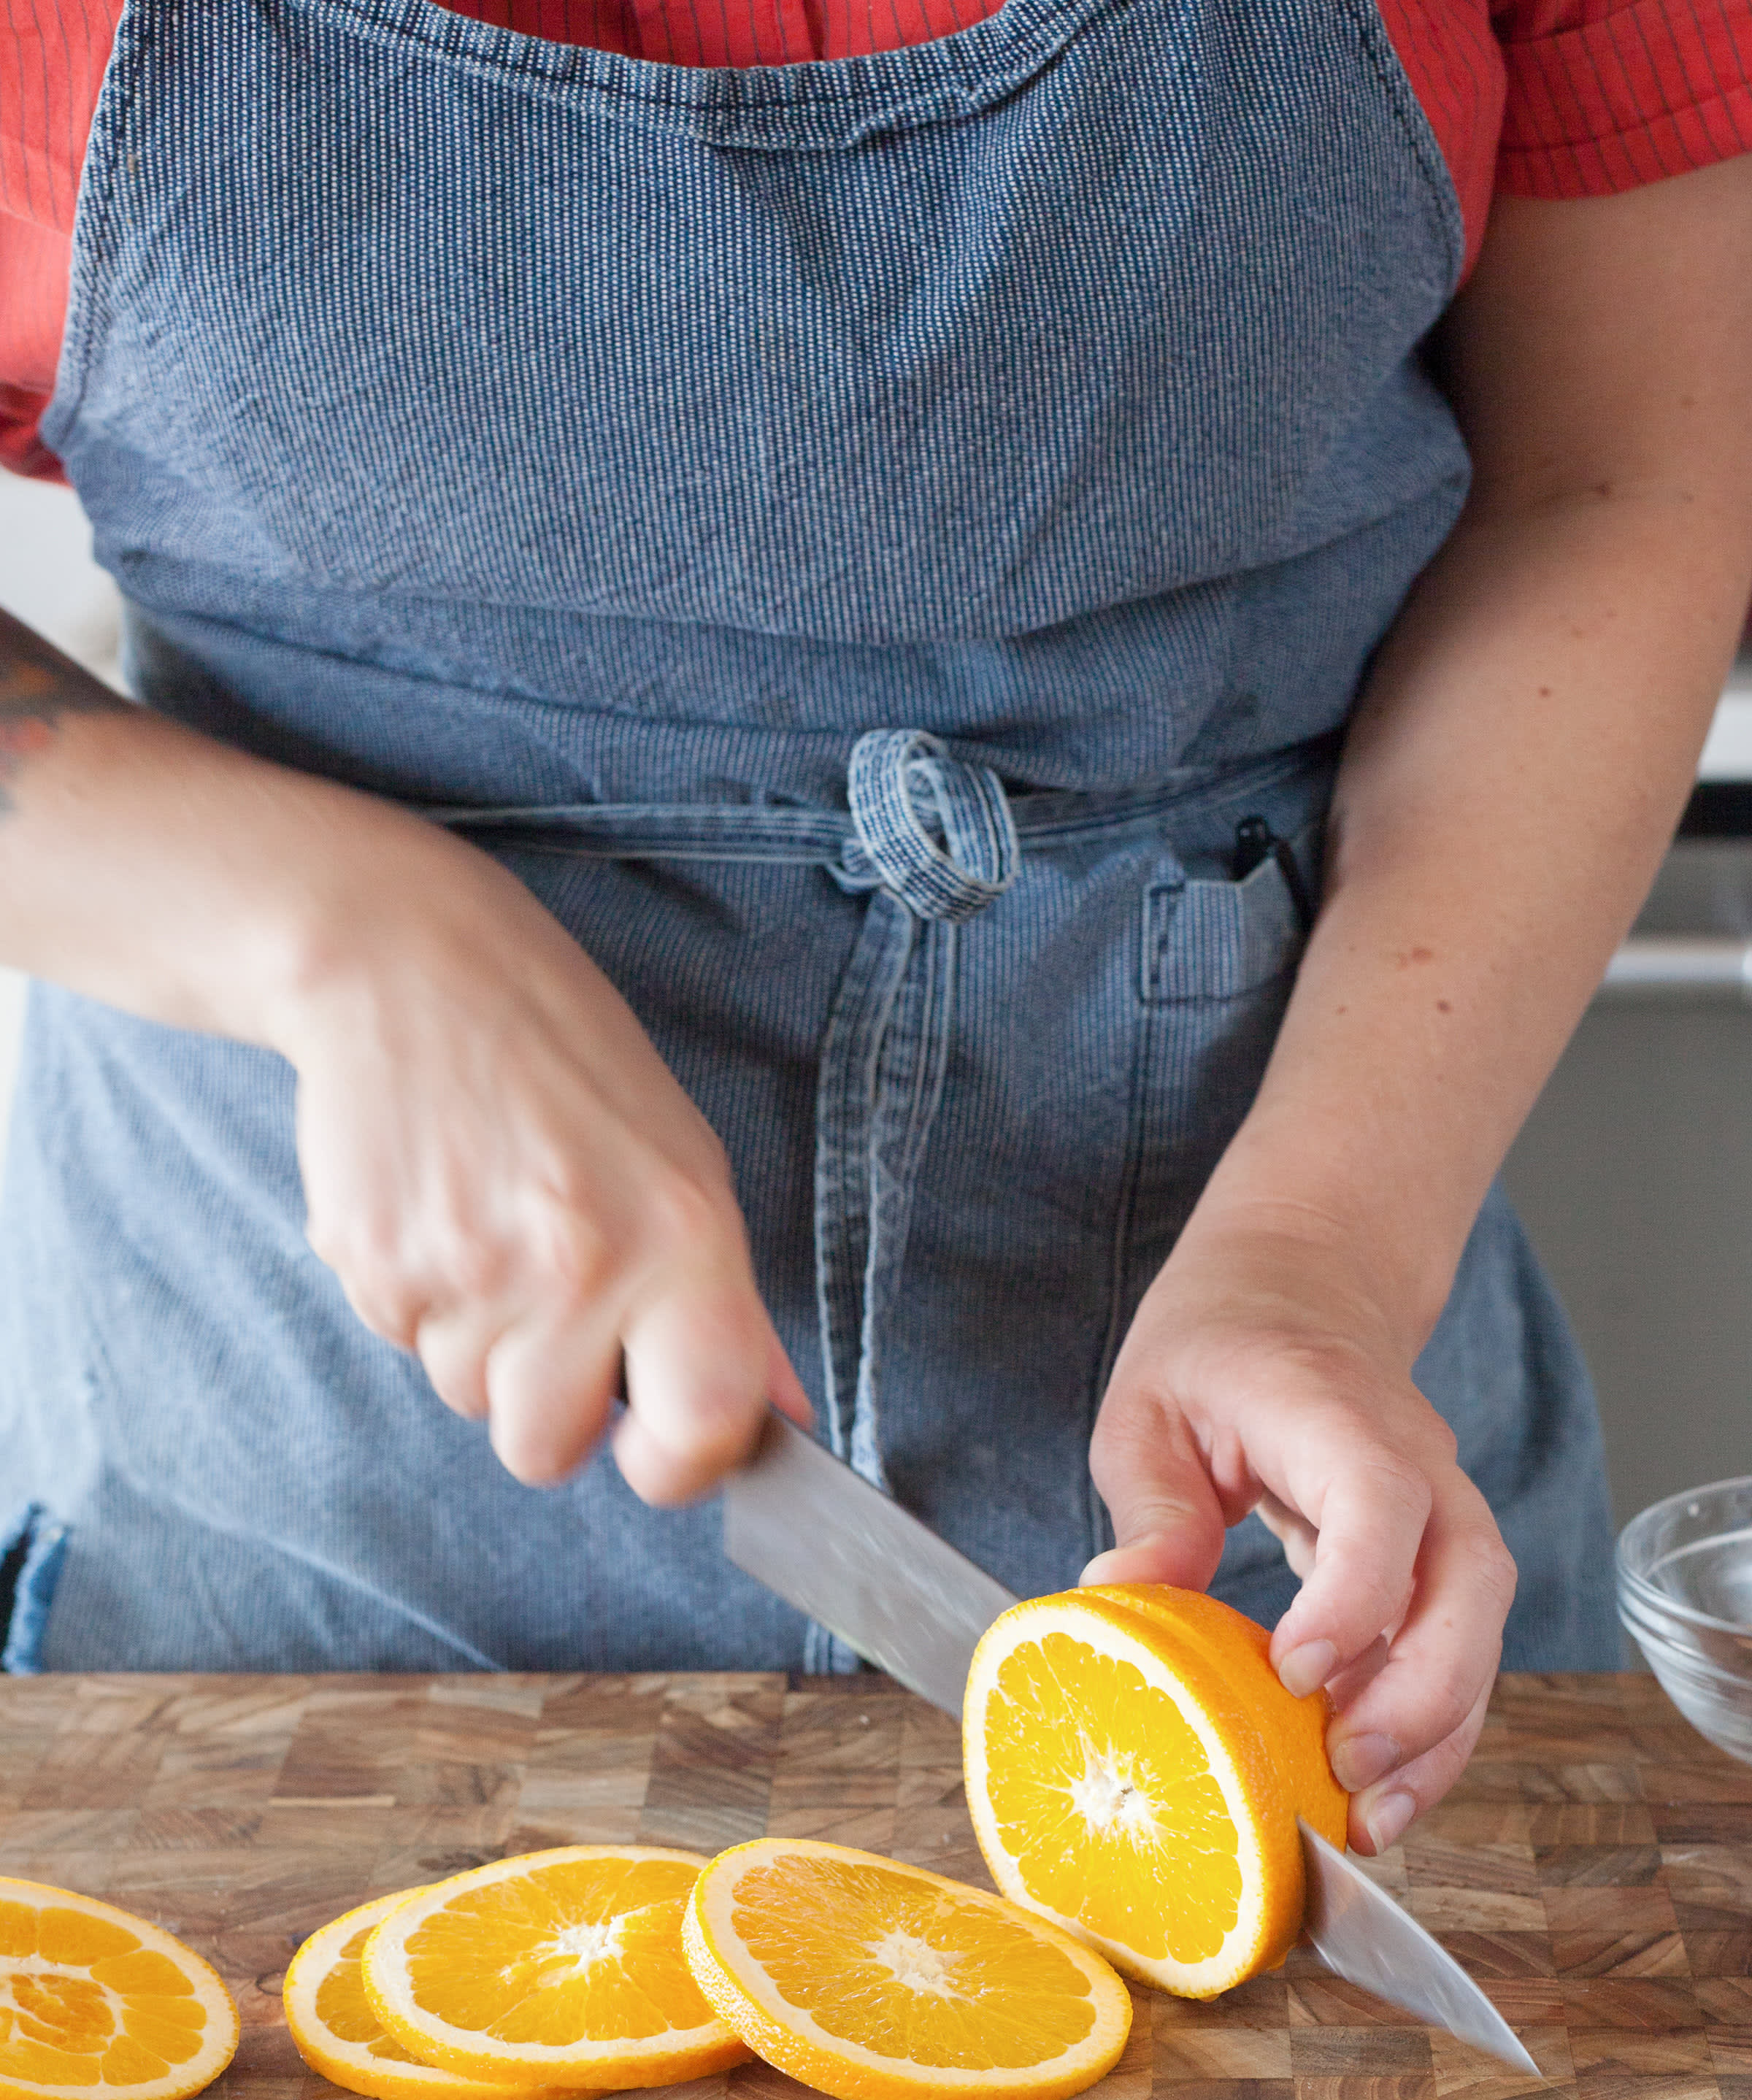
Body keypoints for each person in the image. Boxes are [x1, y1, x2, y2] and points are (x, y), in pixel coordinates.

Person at [0, 0, 1748, 1858]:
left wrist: (1323, 1249)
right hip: (295, 1561)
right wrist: (339, 934)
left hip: (1281, 1505)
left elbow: (1622, 479)